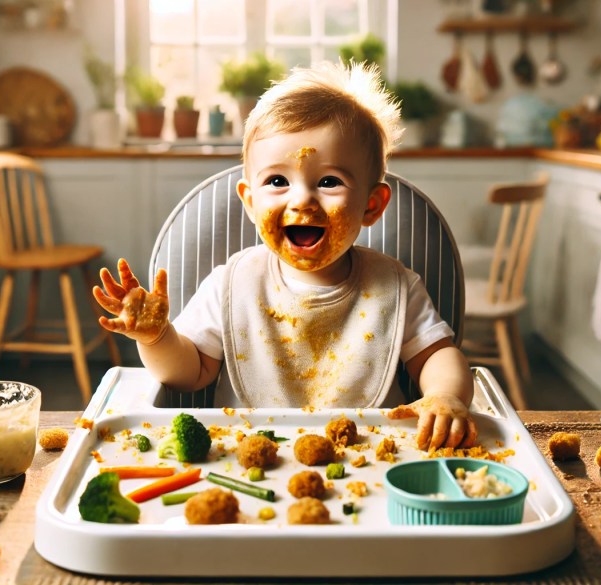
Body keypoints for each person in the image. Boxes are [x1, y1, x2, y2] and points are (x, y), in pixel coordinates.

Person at [93, 61, 477, 450]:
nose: (302, 199)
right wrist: (157, 337)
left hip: (374, 458)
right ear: (249, 201)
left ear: (372, 205)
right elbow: (188, 374)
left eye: (329, 181)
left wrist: (445, 395)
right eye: (277, 181)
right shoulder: (232, 284)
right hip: (249, 458)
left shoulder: (396, 286)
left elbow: (438, 356)